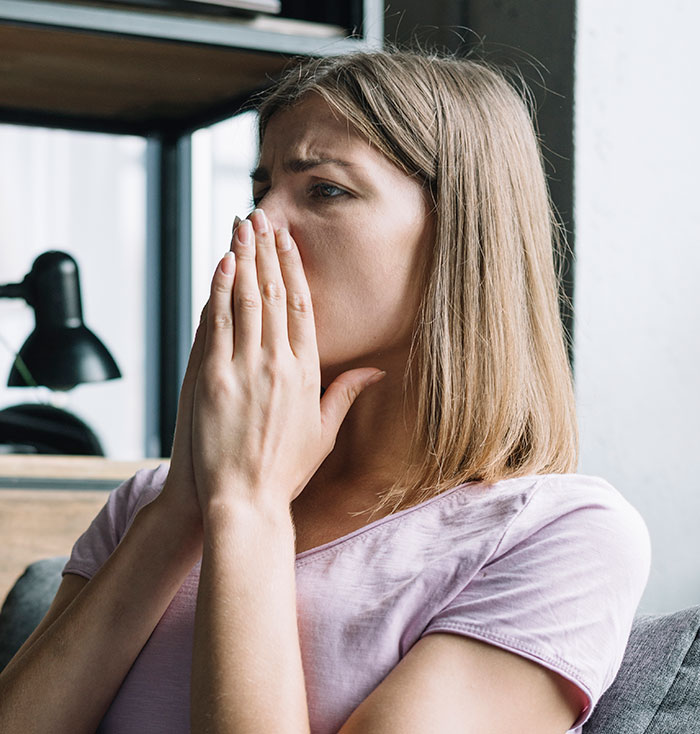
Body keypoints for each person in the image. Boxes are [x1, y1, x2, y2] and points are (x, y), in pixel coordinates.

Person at [0, 48, 650, 733]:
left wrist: (246, 507)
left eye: (324, 190)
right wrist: (183, 509)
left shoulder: (558, 536)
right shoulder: (149, 504)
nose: (255, 226)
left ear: (460, 231)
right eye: (260, 191)